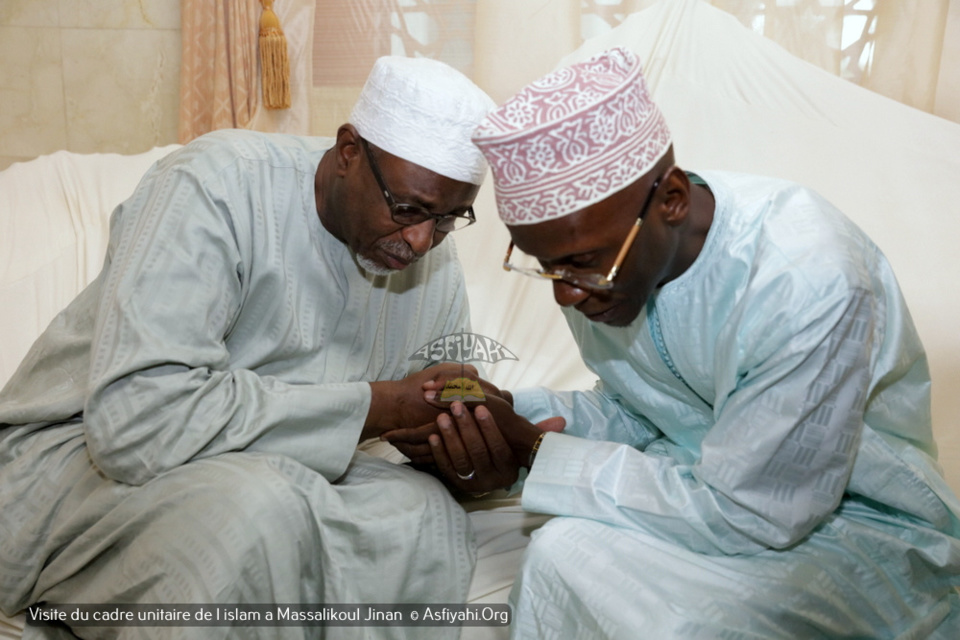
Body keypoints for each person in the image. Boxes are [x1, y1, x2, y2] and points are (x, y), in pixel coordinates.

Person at [384, 47, 960, 638]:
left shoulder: (804, 280)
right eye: (545, 267)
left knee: (592, 570)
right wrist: (498, 411)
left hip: (858, 527)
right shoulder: (601, 269)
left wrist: (534, 453)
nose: (566, 297)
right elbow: (642, 410)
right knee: (551, 551)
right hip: (700, 487)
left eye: (578, 264)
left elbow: (751, 513)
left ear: (673, 200)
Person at [0, 55, 495, 639]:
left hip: (283, 470)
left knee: (424, 518)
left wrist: (470, 449)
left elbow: (433, 404)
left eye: (447, 219)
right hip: (78, 457)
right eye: (408, 209)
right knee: (260, 512)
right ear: (347, 152)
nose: (420, 240)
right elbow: (135, 421)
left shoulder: (430, 255)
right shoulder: (216, 185)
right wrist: (379, 406)